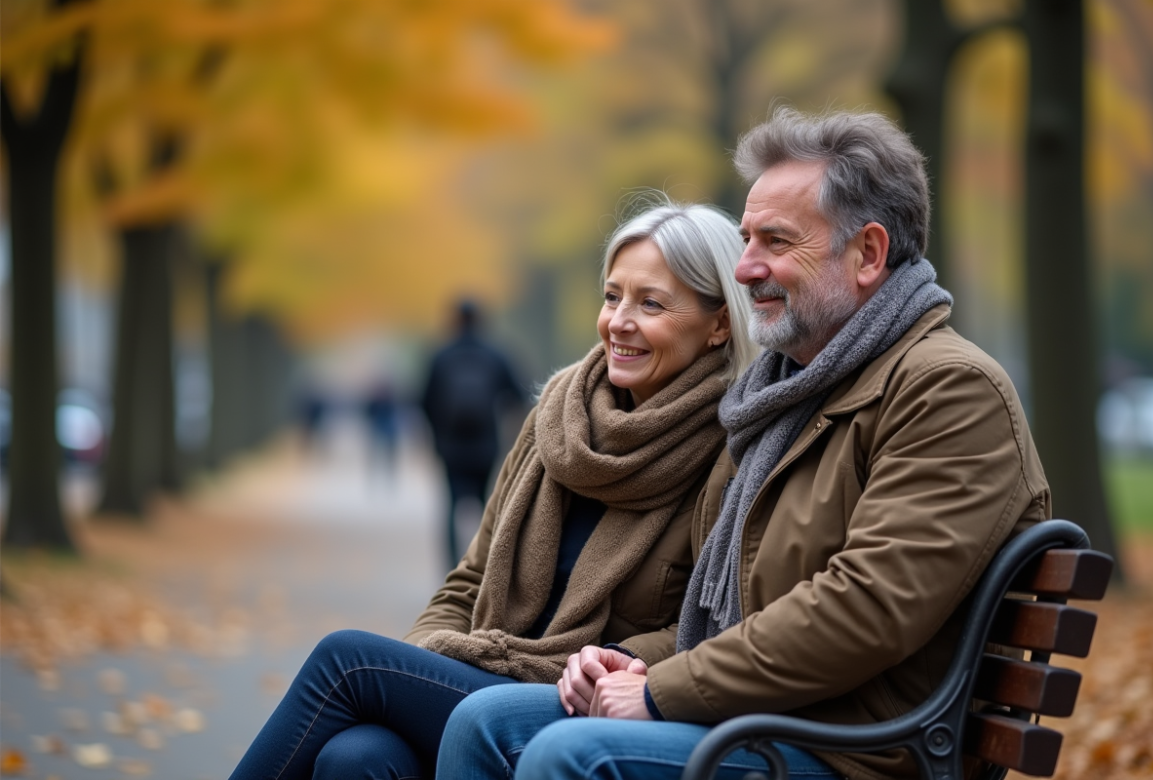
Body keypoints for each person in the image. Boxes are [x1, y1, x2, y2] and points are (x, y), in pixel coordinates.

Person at [436, 107, 1052, 780]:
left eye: (776, 243)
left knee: (568, 753)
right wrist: (636, 661)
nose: (746, 267)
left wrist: (658, 691)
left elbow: (864, 608)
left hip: (849, 748)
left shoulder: (948, 391)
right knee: (481, 718)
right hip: (764, 717)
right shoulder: (783, 394)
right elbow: (723, 608)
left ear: (868, 253)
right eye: (747, 238)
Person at [227, 198, 759, 780]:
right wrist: (430, 654)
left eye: (650, 303)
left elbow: (715, 624)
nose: (619, 321)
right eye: (612, 297)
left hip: (587, 701)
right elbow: (469, 581)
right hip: (487, 670)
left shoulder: (735, 451)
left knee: (347, 661)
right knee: (355, 758)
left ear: (720, 324)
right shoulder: (557, 419)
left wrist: (625, 666)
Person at [421, 299, 527, 570]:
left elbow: (423, 400)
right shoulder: (494, 354)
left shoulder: (441, 355)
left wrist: (435, 438)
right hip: (485, 444)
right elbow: (518, 394)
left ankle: (449, 569)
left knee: (451, 506)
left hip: (450, 446)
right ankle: (484, 567)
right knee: (486, 507)